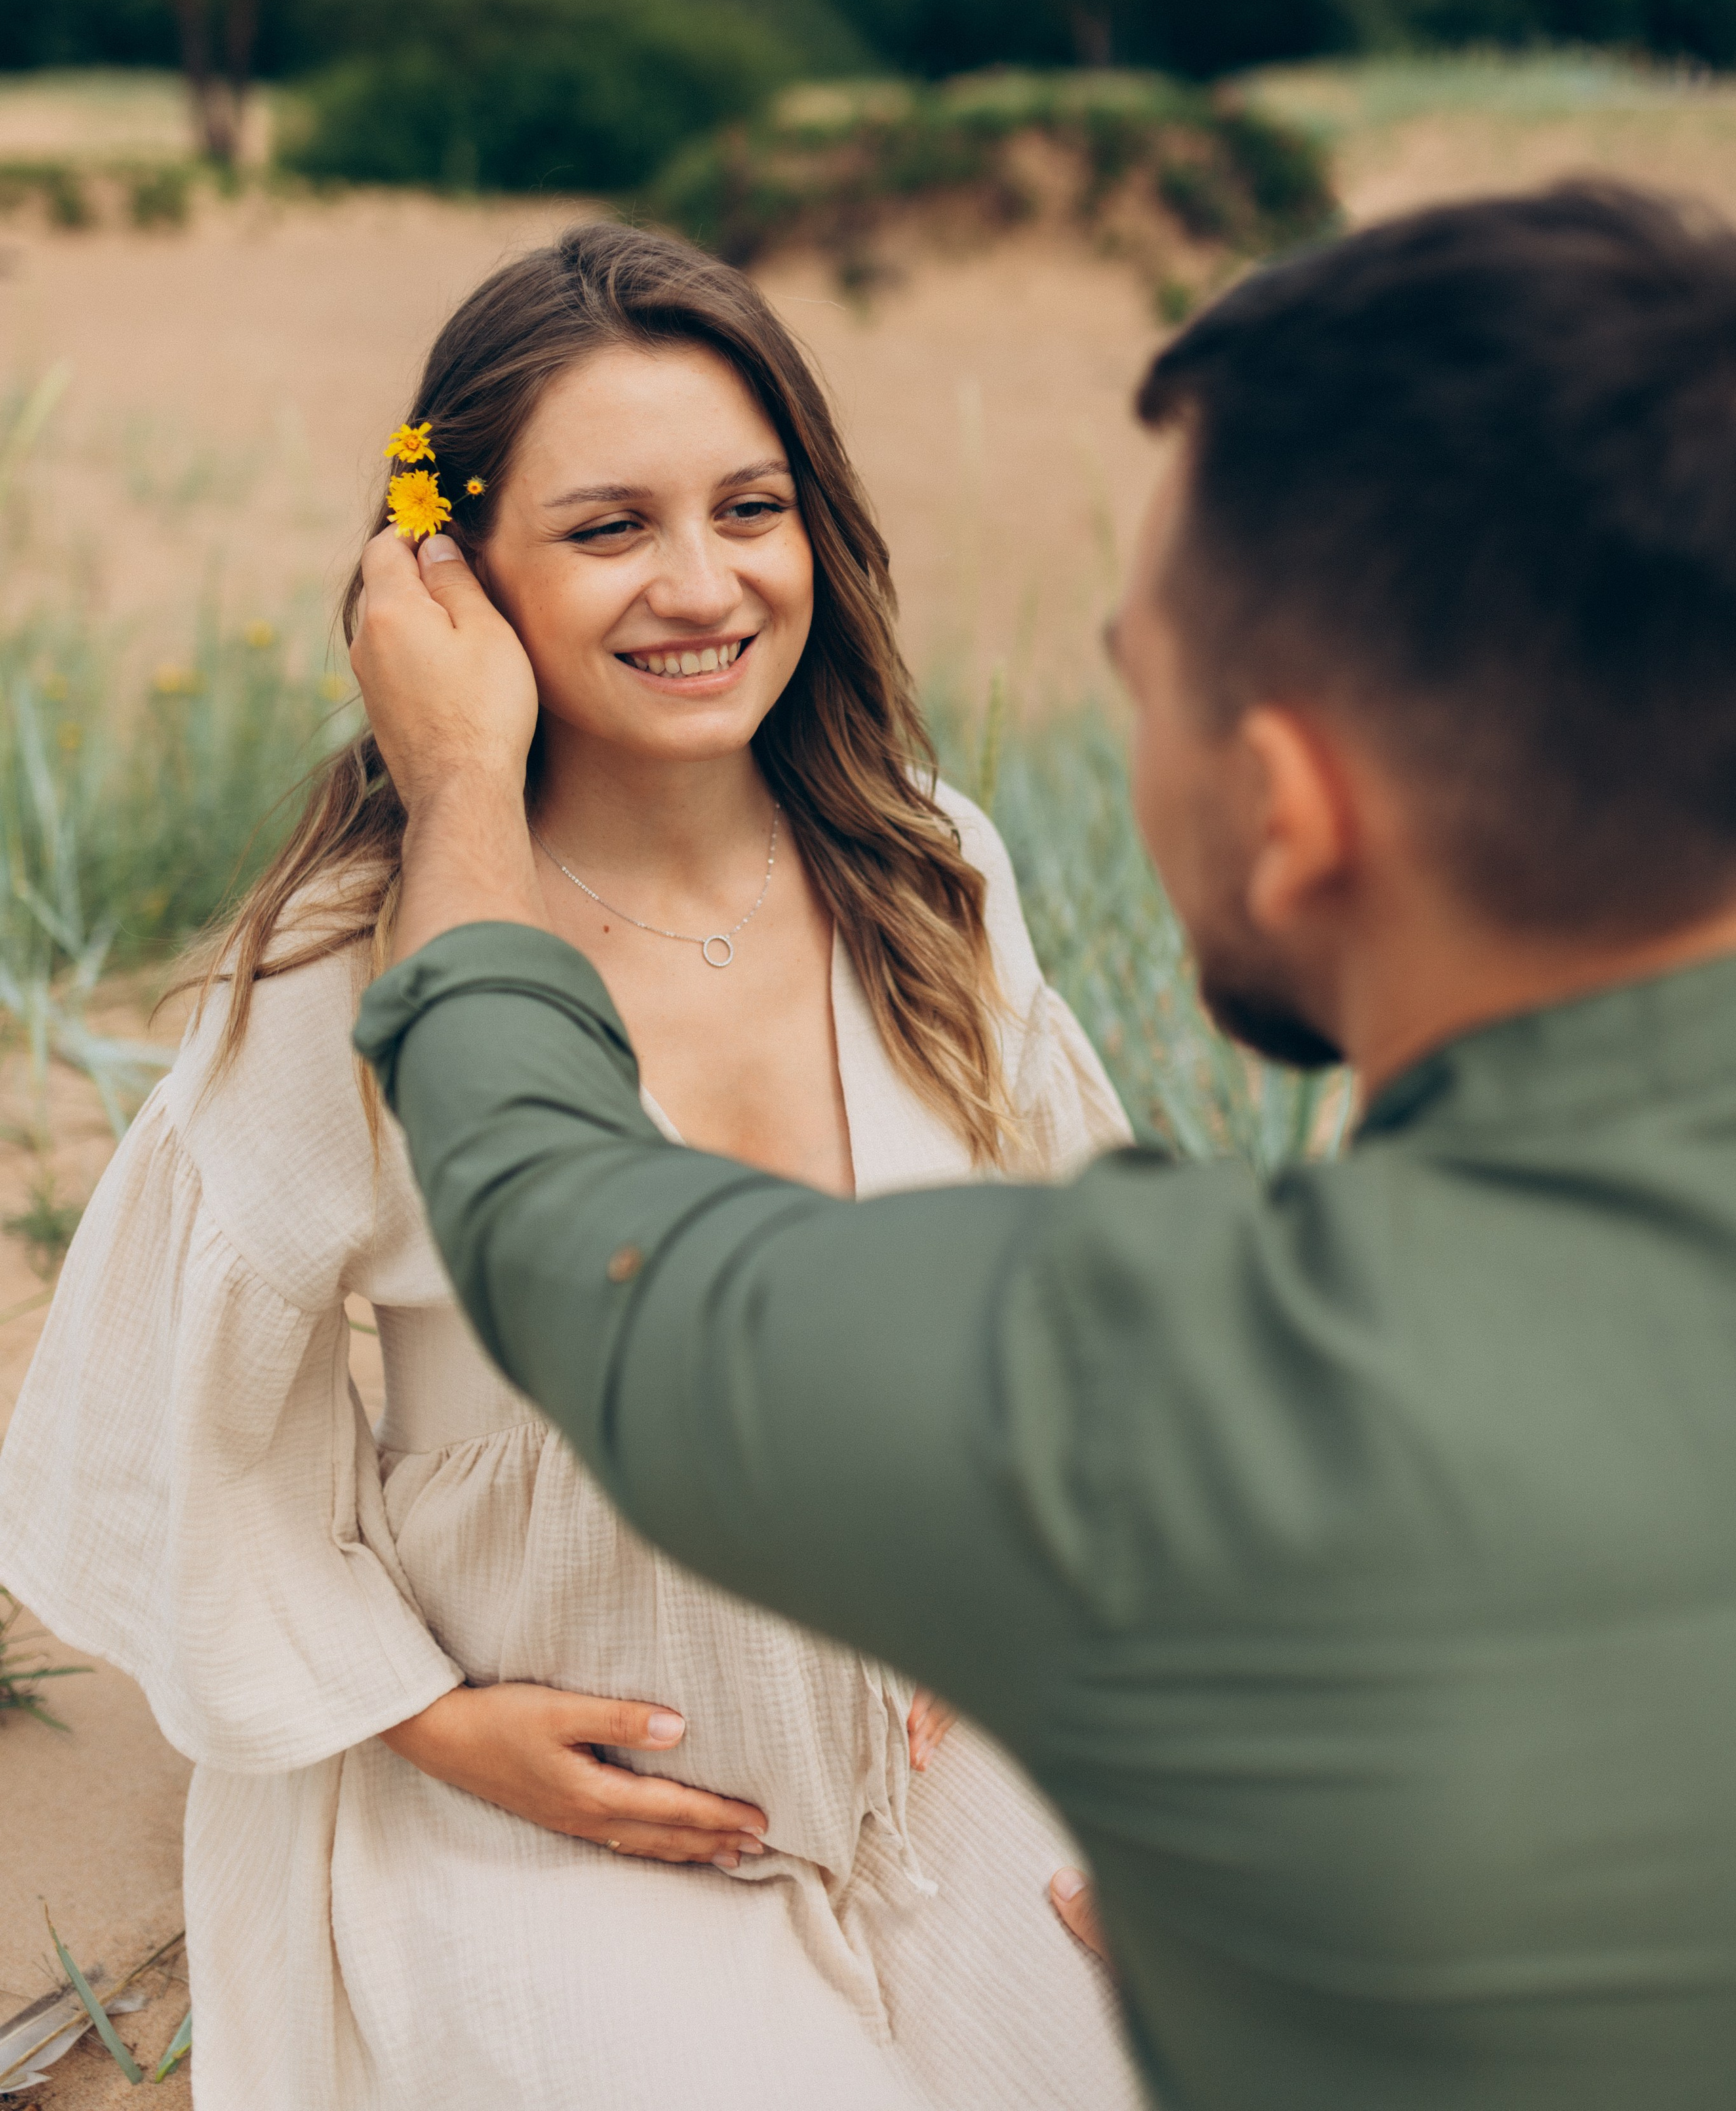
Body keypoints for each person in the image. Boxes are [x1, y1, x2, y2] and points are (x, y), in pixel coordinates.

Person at [349, 181, 1736, 2111]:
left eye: (1145, 681)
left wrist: (457, 809)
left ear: (1292, 808)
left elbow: (565, 1239)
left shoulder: (1184, 1382)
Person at [0, 225, 1144, 2110]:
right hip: (584, 1812)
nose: (702, 585)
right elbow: (148, 1425)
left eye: (750, 507)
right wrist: (425, 1723)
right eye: (610, 528)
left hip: (947, 1742)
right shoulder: (351, 960)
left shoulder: (929, 867)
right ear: (450, 576)